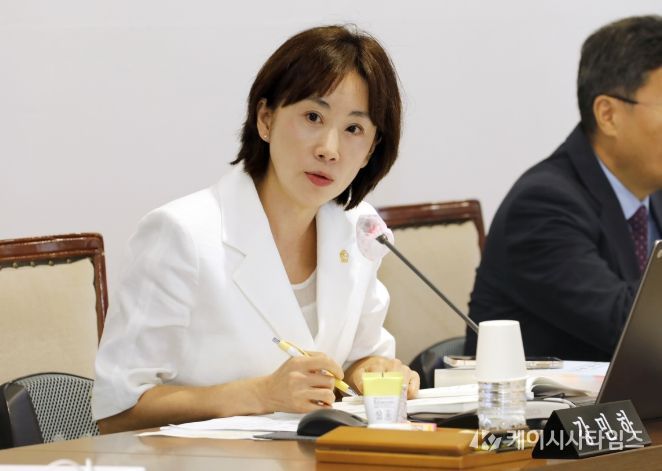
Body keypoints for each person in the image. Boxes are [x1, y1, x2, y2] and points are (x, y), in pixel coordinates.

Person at [92, 25, 419, 433]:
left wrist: (373, 371)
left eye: (354, 129)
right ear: (266, 119)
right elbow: (117, 412)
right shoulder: (181, 233)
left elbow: (358, 357)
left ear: (371, 149)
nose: (329, 149)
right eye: (313, 117)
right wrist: (261, 394)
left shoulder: (358, 229)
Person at [466, 15, 662, 361]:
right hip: (544, 397)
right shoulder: (542, 205)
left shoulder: (653, 193)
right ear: (608, 115)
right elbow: (631, 329)